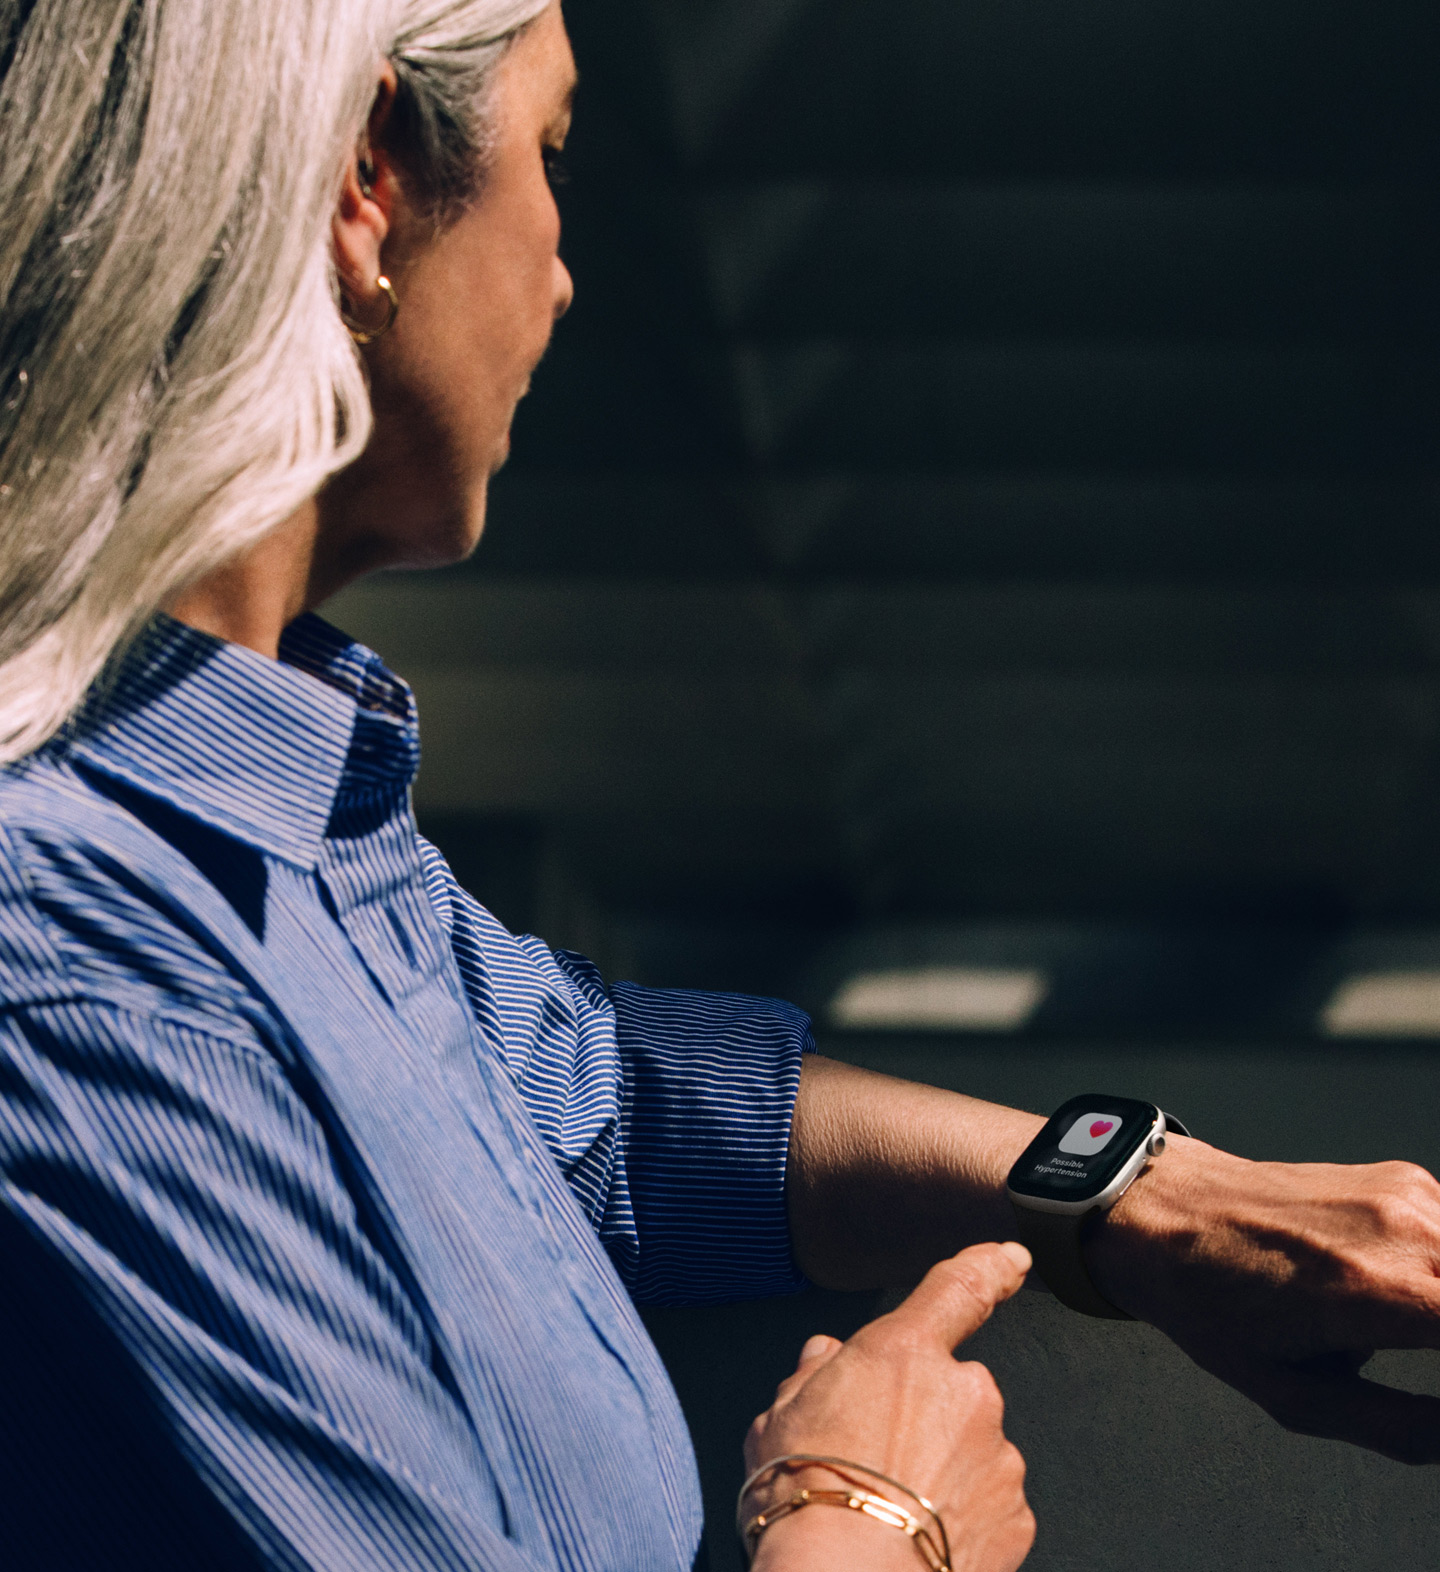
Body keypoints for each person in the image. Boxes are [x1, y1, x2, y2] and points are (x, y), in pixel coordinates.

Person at [0, 1, 1437, 1568]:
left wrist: (1139, 1198)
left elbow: (607, 1098)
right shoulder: (82, 974)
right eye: (551, 152)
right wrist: (874, 1518)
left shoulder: (280, 802)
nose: (563, 265)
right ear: (367, 181)